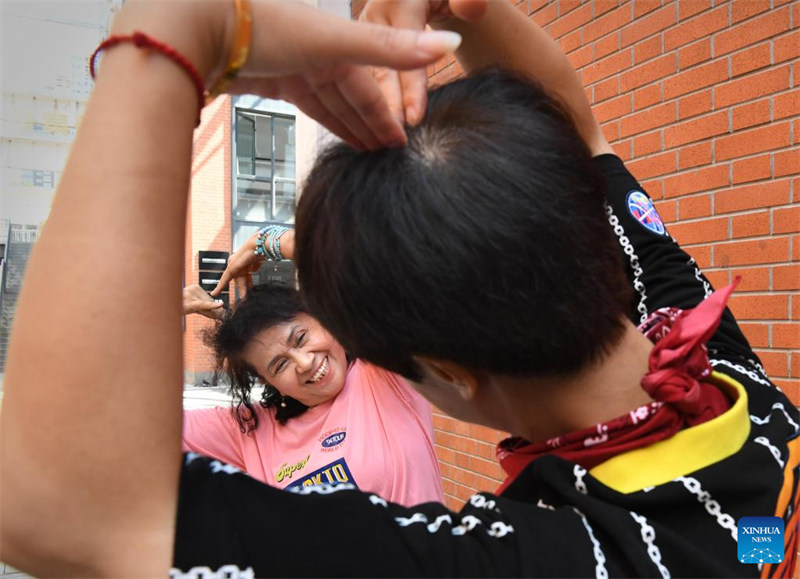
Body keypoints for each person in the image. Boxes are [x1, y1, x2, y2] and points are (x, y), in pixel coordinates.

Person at [1, 1, 796, 578]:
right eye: (280, 362)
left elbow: (50, 501)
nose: (307, 364)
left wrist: (177, 34)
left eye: (310, 341)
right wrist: (457, 11)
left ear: (442, 373)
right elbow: (582, 129)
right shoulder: (713, 354)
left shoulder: (550, 557)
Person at [181, 264, 444, 506]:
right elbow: (148, 426)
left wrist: (273, 241)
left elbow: (394, 271)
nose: (304, 363)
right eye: (280, 365)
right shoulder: (251, 429)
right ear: (268, 381)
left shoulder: (384, 373)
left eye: (301, 338)